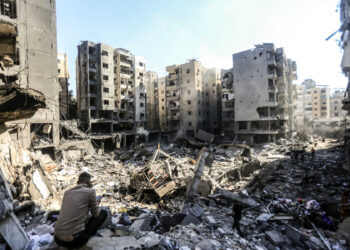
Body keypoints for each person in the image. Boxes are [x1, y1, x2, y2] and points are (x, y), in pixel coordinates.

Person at [54, 172, 107, 249]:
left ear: (77, 182)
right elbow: (96, 214)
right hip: (75, 240)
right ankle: (82, 245)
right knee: (103, 213)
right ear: (89, 183)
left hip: (57, 239)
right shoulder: (90, 191)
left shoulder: (67, 192)